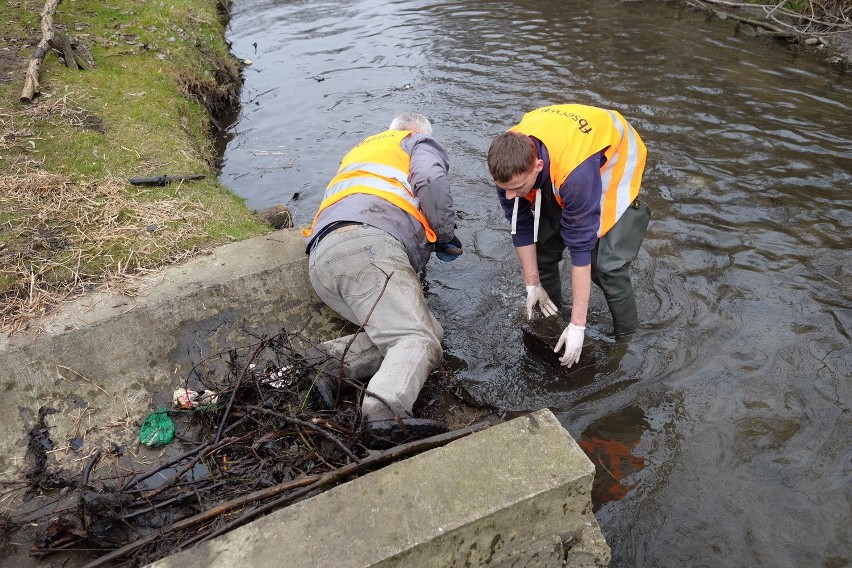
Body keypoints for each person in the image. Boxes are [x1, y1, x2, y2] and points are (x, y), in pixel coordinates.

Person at [302, 112, 462, 447]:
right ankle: (383, 413)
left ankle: (329, 362)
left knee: (431, 328)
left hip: (323, 259)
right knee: (416, 340)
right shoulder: (416, 141)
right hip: (369, 248)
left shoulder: (361, 150)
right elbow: (431, 181)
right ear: (416, 131)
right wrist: (445, 235)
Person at [486, 104, 651, 368]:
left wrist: (578, 325)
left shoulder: (576, 177)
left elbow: (580, 249)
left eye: (515, 188)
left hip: (615, 157)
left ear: (538, 166)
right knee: (543, 249)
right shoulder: (507, 165)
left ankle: (626, 340)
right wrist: (532, 285)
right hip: (561, 153)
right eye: (503, 189)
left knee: (605, 266)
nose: (507, 195)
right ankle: (551, 321)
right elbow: (522, 226)